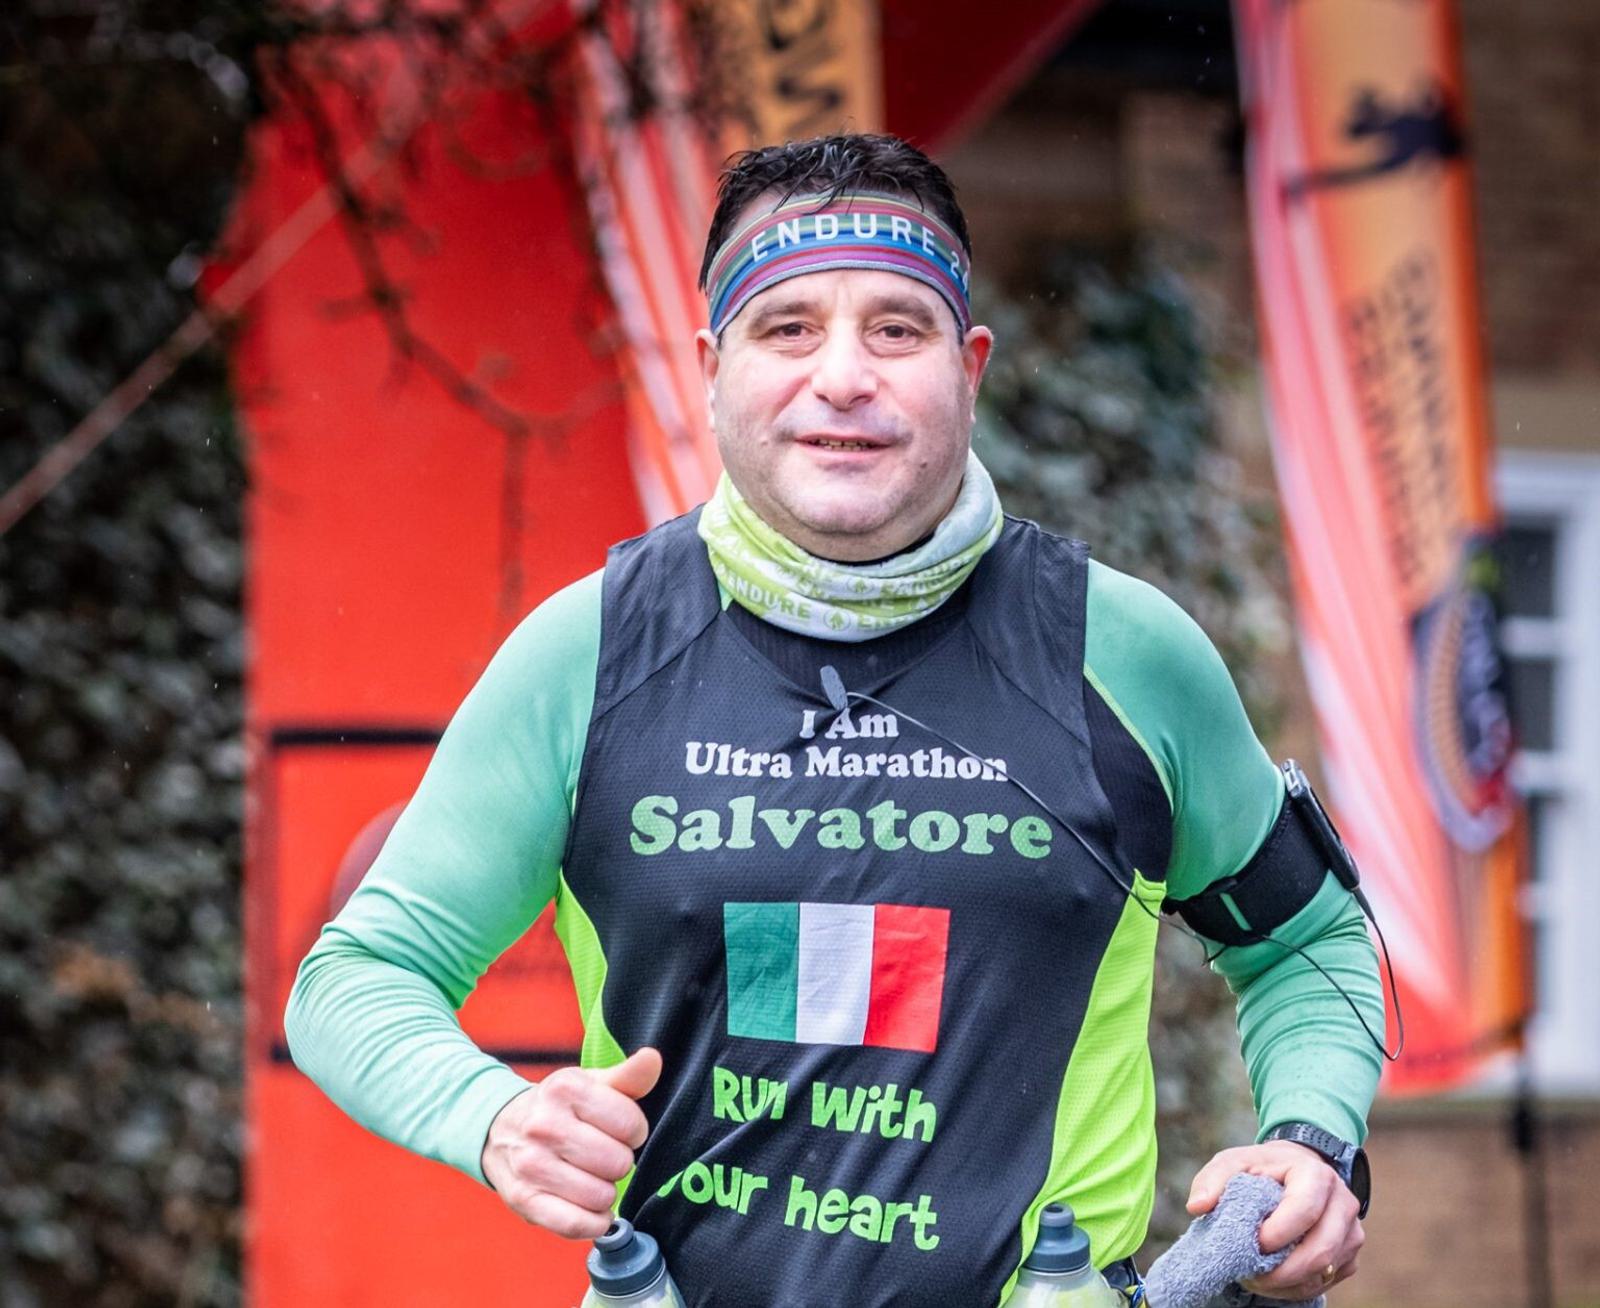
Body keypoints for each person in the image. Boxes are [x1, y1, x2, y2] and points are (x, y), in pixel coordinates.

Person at [285, 133, 1384, 1307]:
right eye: (789, 326)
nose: (844, 375)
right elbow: (355, 978)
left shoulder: (1124, 654)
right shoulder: (587, 653)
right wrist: (495, 1117)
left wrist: (1314, 1144)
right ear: (713, 366)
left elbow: (1308, 946)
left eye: (897, 329)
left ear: (969, 366)